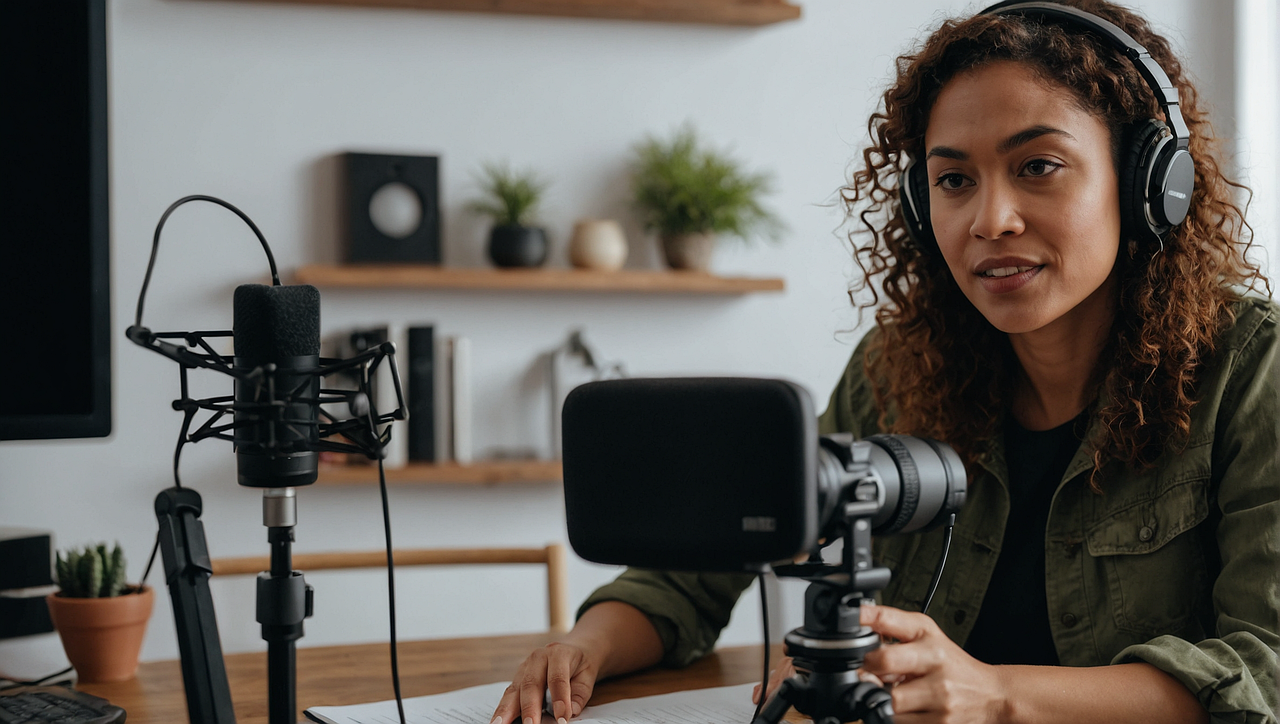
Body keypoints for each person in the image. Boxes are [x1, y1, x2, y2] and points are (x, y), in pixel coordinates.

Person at [490, 1, 1280, 722]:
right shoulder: (897, 367)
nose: (990, 219)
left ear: (1151, 183)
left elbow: (1265, 671)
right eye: (953, 180)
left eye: (1038, 166)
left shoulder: (1254, 371)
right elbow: (707, 562)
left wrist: (996, 695)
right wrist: (584, 647)